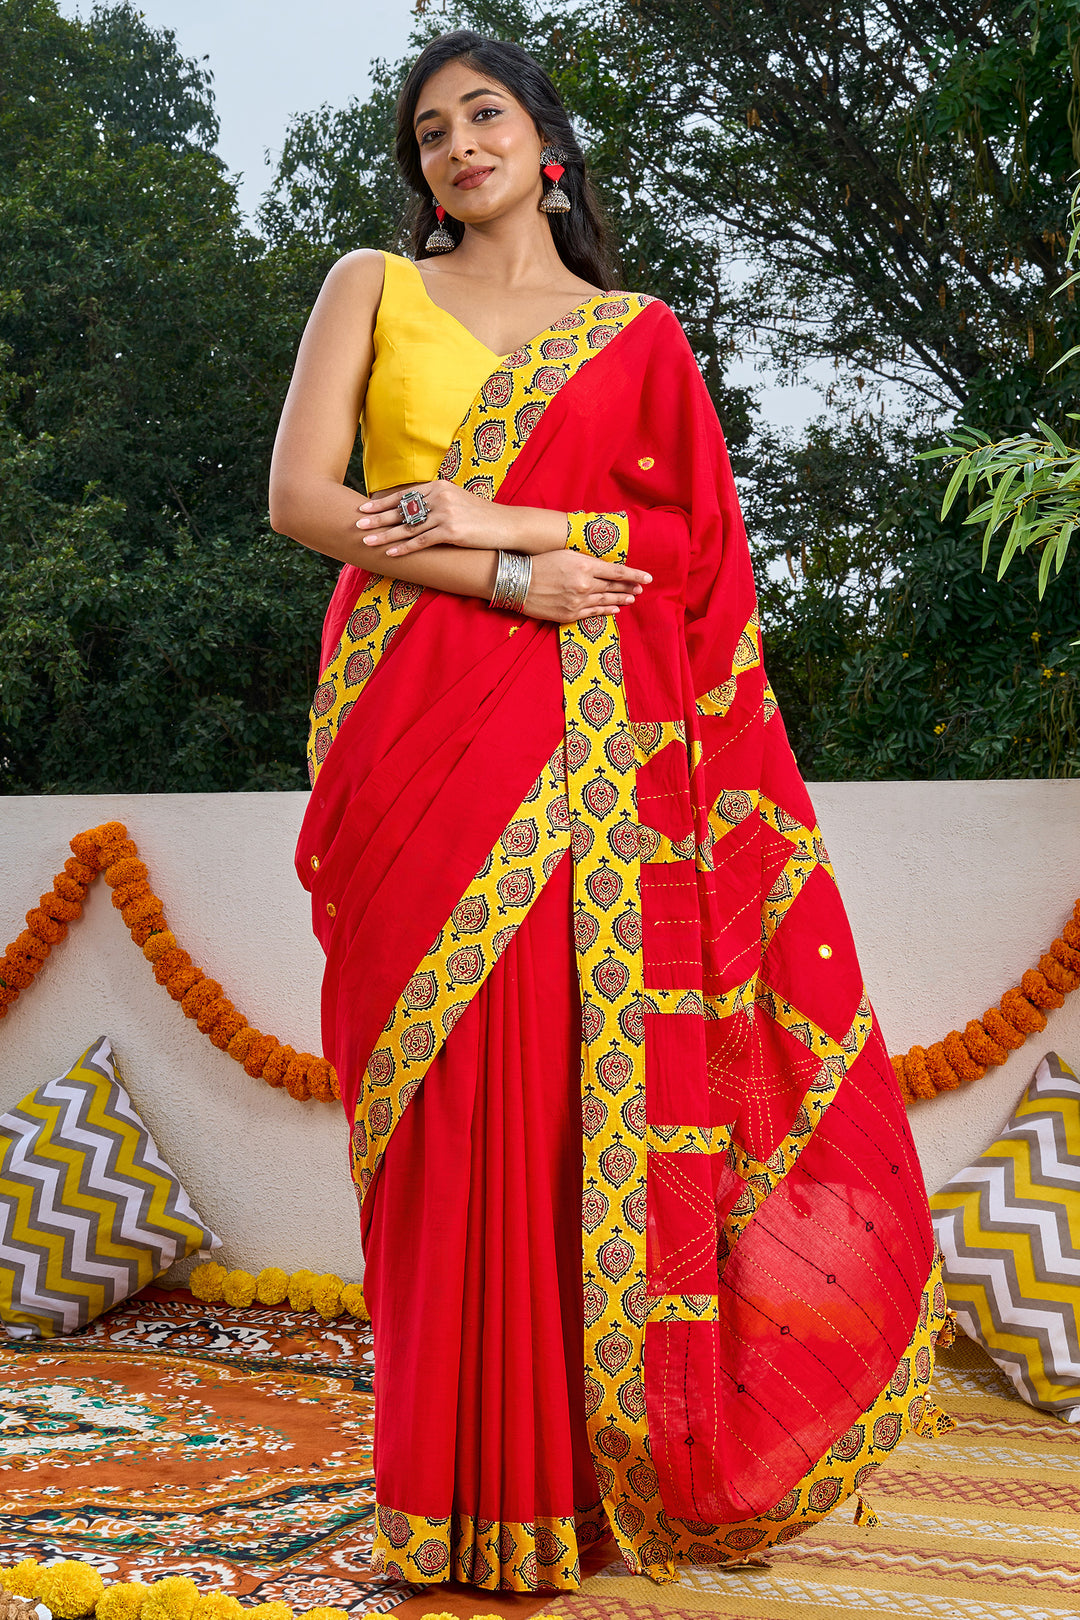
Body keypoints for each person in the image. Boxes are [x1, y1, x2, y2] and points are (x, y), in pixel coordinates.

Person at [268, 27, 951, 1598]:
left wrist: (507, 513)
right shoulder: (371, 283)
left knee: (553, 1101)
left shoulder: (636, 339)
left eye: (484, 114)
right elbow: (305, 502)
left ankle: (559, 1490)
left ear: (547, 142)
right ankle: (439, 1491)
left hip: (579, 754)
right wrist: (510, 573)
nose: (457, 145)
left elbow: (685, 549)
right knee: (434, 1111)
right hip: (407, 726)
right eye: (430, 130)